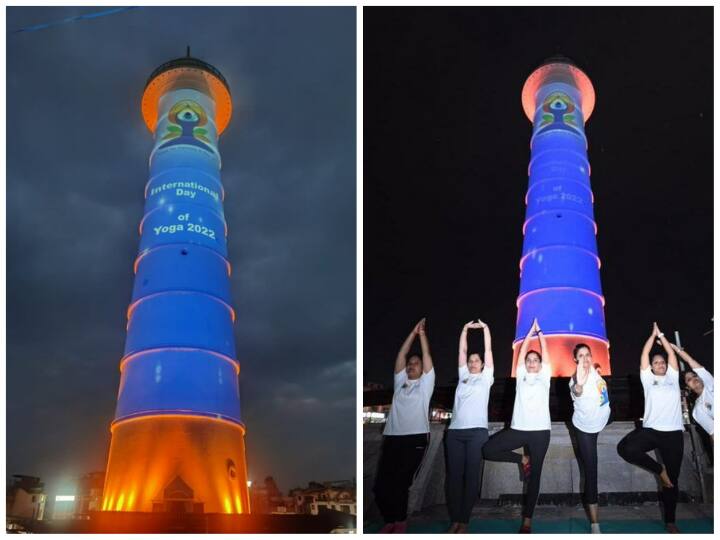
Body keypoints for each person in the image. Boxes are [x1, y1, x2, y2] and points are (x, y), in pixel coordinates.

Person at [482, 318, 551, 533]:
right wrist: (529, 334)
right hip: (518, 429)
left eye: (535, 360)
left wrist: (540, 334)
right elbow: (520, 355)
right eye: (529, 360)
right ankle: (523, 459)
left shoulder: (544, 376)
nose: (531, 363)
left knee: (535, 476)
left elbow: (545, 352)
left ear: (540, 365)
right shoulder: (521, 375)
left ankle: (527, 519)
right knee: (488, 449)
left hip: (540, 431)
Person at [617, 323, 684, 533]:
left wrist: (662, 336)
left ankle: (670, 521)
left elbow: (672, 354)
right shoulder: (648, 379)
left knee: (672, 481)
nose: (660, 365)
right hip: (652, 430)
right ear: (652, 367)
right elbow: (645, 353)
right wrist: (652, 335)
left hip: (673, 433)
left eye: (662, 362)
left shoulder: (673, 378)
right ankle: (659, 470)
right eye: (657, 363)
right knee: (626, 449)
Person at [373, 318, 435, 534]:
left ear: (422, 369)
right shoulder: (401, 383)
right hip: (392, 438)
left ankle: (399, 522)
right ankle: (390, 519)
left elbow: (427, 357)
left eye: (415, 363)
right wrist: (412, 333)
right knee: (380, 486)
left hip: (416, 438)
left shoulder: (426, 384)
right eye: (410, 363)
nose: (411, 365)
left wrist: (422, 334)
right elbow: (401, 355)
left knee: (400, 484)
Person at [445, 319, 494, 533]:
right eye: (471, 360)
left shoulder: (486, 378)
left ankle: (464, 520)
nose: (473, 362)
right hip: (455, 433)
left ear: (482, 365)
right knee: (454, 477)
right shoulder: (463, 376)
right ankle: (455, 519)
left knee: (471, 476)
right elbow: (462, 350)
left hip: (477, 433)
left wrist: (485, 329)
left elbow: (488, 349)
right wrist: (464, 329)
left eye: (477, 360)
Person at [569, 343, 611, 534]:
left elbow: (604, 398)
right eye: (581, 355)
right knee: (591, 470)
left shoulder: (598, 376)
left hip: (601, 421)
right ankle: (595, 523)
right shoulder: (575, 380)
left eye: (587, 354)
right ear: (576, 359)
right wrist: (579, 384)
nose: (585, 358)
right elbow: (577, 390)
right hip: (584, 428)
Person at [671, 343, 714, 440]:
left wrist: (674, 348)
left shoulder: (711, 384)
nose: (694, 379)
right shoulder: (698, 410)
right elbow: (714, 434)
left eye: (695, 375)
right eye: (689, 379)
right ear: (687, 388)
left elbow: (690, 361)